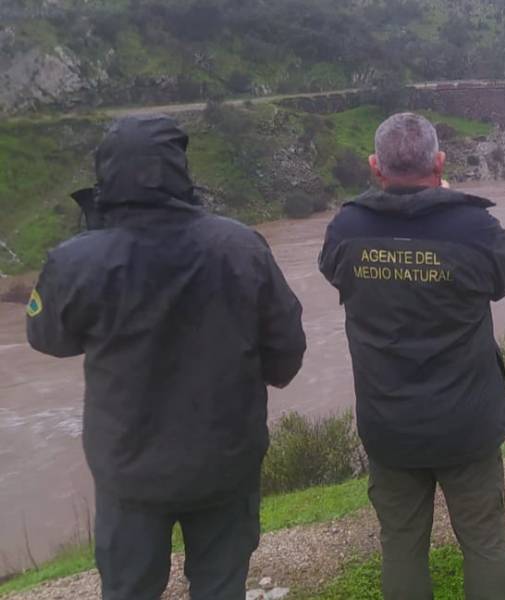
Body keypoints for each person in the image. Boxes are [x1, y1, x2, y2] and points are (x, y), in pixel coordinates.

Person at [27, 114, 307, 600]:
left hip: (129, 469)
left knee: (129, 590)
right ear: (179, 169)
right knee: (221, 588)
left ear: (105, 175)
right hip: (225, 460)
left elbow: (49, 338)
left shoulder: (76, 260)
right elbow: (287, 353)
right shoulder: (241, 246)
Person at [319, 113, 505, 599]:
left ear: (375, 167)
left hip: (390, 423)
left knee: (401, 546)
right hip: (467, 422)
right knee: (485, 542)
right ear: (439, 161)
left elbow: (332, 270)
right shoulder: (473, 227)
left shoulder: (347, 228)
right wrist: (446, 201)